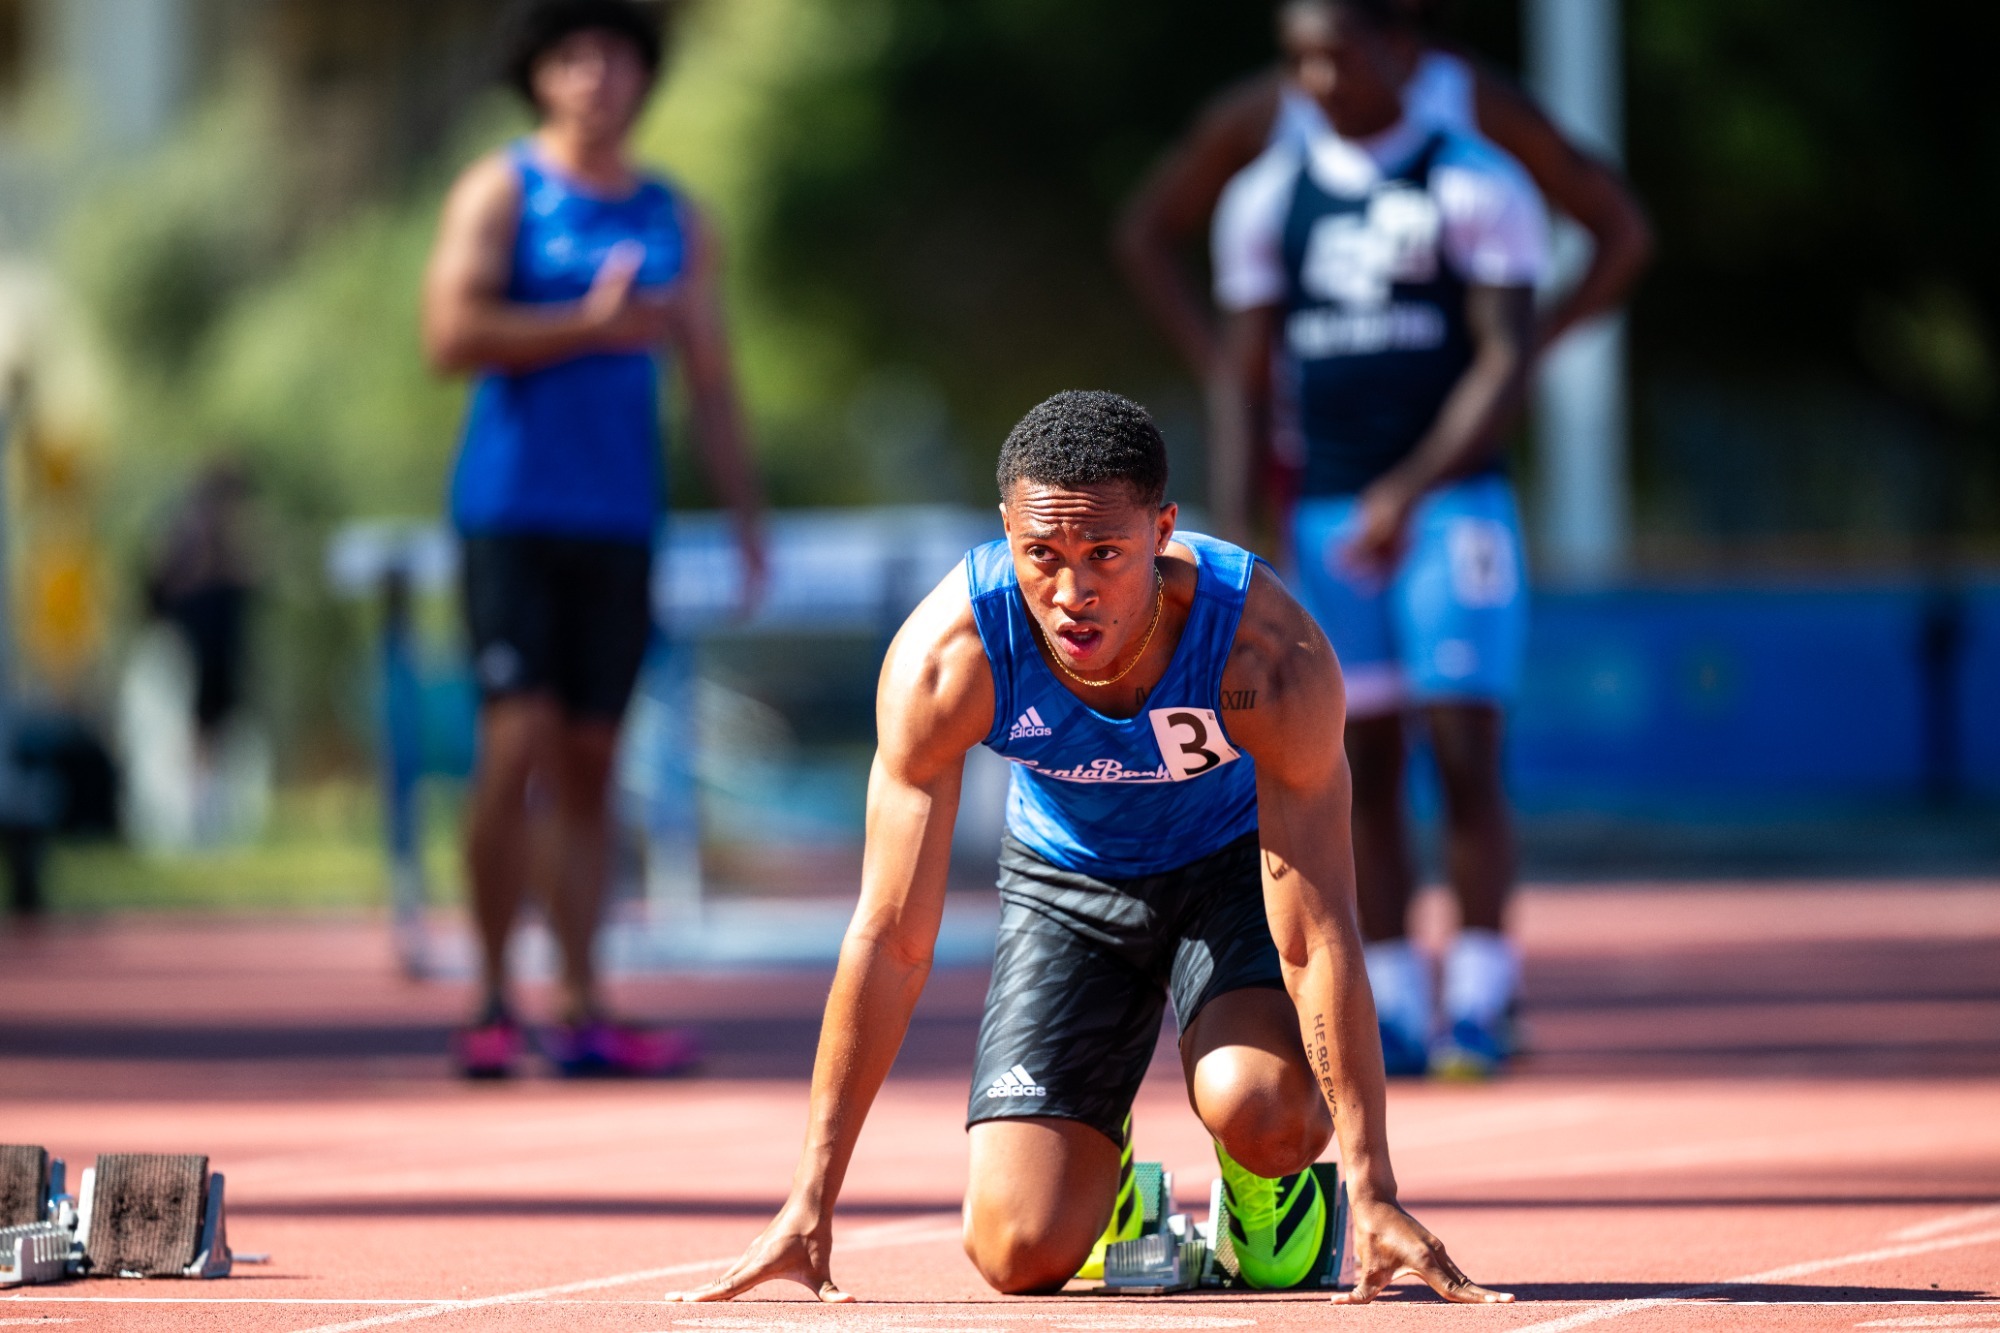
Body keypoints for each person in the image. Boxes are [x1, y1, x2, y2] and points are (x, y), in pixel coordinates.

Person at [667, 391, 1509, 1304]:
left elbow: (1318, 934)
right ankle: (1115, 1173)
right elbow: (890, 937)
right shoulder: (950, 659)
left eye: (1105, 553)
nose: (1073, 595)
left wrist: (1376, 1184)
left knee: (1262, 1110)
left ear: (1162, 531)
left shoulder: (1265, 653)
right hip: (1066, 879)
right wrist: (809, 1196)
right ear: (1007, 532)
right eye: (1043, 555)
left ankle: (1269, 1186)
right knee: (1017, 1252)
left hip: (1233, 865)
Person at [422, 0, 765, 1079]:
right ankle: (489, 998)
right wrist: (587, 325)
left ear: (643, 76)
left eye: (616, 57)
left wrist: (744, 512)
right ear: (539, 75)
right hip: (513, 514)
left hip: (621, 521)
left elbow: (710, 376)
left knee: (592, 761)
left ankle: (579, 1005)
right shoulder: (501, 190)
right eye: (573, 57)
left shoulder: (674, 215)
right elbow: (448, 334)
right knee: (514, 741)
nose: (596, 77)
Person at [1208, 0, 1548, 1079]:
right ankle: (1391, 1003)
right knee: (1356, 760)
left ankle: (1483, 997)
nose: (1321, 81)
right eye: (1300, 61)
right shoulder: (1266, 199)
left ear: (1402, 52)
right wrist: (1236, 530)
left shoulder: (1475, 183)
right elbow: (1243, 376)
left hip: (1453, 510)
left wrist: (1411, 488)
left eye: (1341, 56)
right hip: (1327, 518)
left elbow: (1505, 359)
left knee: (1464, 750)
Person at [1116, 0, 1651, 539]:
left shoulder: (1471, 101)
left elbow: (1622, 230)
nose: (1326, 82)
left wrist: (1524, 348)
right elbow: (1149, 232)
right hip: (1318, 452)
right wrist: (1229, 372)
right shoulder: (1273, 111)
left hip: (1441, 454)